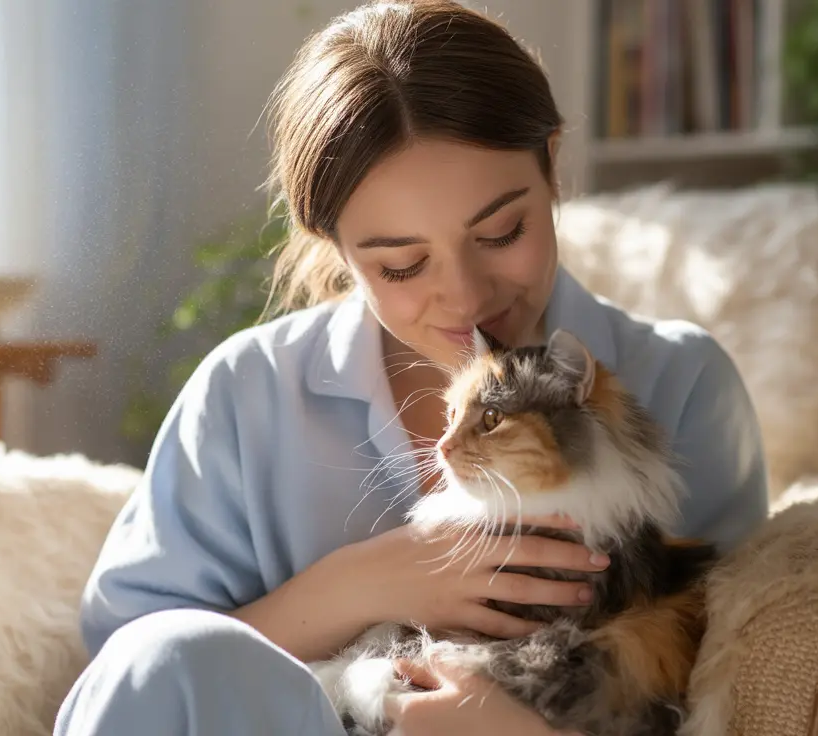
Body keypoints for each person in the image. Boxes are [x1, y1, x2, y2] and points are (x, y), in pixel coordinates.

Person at [53, 1, 769, 734]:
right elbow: (133, 676)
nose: (465, 297)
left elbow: (736, 682)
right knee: (172, 652)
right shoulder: (248, 392)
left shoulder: (681, 383)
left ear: (552, 163)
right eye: (401, 265)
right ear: (334, 246)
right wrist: (359, 585)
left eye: (501, 232)